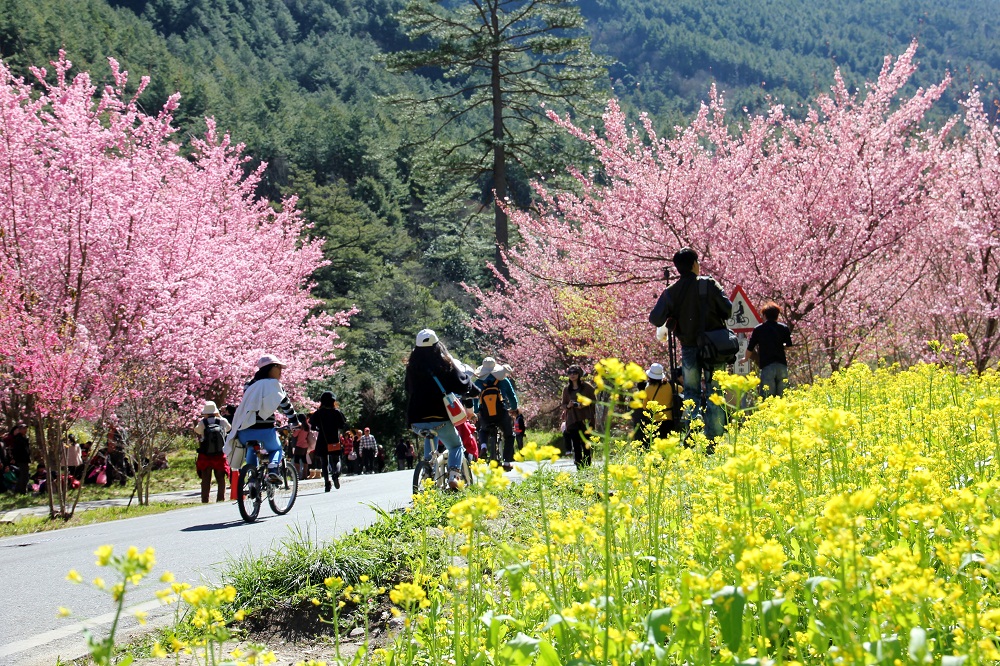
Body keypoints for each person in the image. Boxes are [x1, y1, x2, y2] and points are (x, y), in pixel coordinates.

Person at [649, 248, 733, 446]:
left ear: (677, 268)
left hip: (688, 348)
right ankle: (714, 439)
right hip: (713, 347)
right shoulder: (709, 283)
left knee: (691, 393)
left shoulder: (671, 292)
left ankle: (695, 430)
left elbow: (655, 318)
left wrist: (672, 316)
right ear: (695, 263)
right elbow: (728, 310)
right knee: (715, 393)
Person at [405, 328, 471, 490]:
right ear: (437, 345)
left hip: (416, 420)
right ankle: (454, 476)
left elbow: (408, 388)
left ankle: (428, 468)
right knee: (455, 446)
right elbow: (462, 385)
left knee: (430, 434)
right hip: (440, 418)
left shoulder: (412, 367)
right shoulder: (445, 364)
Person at [225, 354, 300, 484]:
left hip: (244, 430)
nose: (281, 372)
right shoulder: (275, 385)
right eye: (279, 368)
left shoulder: (249, 385)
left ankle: (252, 478)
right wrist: (294, 420)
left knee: (251, 448)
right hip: (265, 431)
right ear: (270, 368)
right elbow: (286, 405)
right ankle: (272, 470)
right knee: (276, 449)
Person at [473, 357, 518, 471]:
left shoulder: (478, 382)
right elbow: (512, 396)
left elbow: (474, 399)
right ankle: (507, 462)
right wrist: (514, 408)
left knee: (483, 429)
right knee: (509, 435)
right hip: (501, 412)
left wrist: (476, 411)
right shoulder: (503, 380)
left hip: (485, 413)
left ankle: (483, 446)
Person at [745, 301, 793, 398]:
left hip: (767, 366)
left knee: (768, 397)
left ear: (764, 315)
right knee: (783, 397)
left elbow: (750, 347)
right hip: (781, 365)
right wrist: (781, 346)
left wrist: (745, 359)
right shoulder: (783, 328)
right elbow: (789, 347)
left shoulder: (759, 329)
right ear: (777, 315)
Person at [193, 401, 231, 503]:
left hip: (206, 455)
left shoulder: (203, 422)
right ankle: (220, 498)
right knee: (220, 478)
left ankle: (205, 499)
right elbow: (228, 429)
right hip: (219, 454)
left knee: (206, 479)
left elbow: (197, 431)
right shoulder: (222, 421)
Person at [310, 391, 348, 491]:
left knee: (324, 462)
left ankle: (327, 483)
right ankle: (336, 474)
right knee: (336, 460)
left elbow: (313, 426)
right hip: (334, 438)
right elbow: (342, 425)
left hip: (323, 439)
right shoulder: (336, 412)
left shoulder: (318, 413)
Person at [561, 365, 597, 468]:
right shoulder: (566, 389)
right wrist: (569, 406)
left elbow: (594, 400)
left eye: (575, 373)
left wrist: (584, 404)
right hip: (572, 419)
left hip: (585, 419)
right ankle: (578, 466)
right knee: (576, 445)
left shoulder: (587, 387)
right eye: (570, 373)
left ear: (579, 374)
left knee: (586, 444)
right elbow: (563, 404)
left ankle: (587, 465)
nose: (572, 375)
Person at [632, 363, 676, 442]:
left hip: (655, 421)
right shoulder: (669, 385)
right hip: (669, 419)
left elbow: (645, 407)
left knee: (657, 443)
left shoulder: (648, 389)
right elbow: (681, 389)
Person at [4, 423, 30, 494]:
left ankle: (19, 490)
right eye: (23, 429)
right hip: (21, 459)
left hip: (25, 459)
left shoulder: (24, 438)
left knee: (24, 474)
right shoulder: (18, 439)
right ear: (19, 430)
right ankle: (22, 491)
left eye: (26, 429)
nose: (25, 430)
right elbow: (17, 450)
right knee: (23, 475)